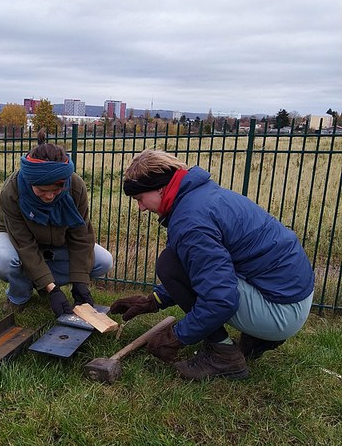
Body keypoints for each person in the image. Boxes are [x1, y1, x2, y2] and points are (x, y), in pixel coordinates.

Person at [110, 149, 315, 381]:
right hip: (291, 296)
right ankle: (259, 338)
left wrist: (178, 335)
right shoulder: (202, 196)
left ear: (160, 187)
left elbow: (220, 298)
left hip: (280, 310)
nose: (141, 207)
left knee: (169, 264)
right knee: (182, 264)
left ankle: (224, 356)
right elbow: (208, 268)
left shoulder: (190, 221)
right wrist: (155, 301)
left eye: (139, 199)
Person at [0, 129, 113, 317]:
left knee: (103, 261)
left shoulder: (75, 187)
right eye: (42, 190)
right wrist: (52, 289)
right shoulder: (12, 191)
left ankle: (42, 282)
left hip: (57, 244)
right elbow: (24, 244)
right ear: (30, 182)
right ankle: (19, 296)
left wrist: (80, 282)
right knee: (1, 259)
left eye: (56, 189)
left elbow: (81, 236)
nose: (50, 195)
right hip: (16, 240)